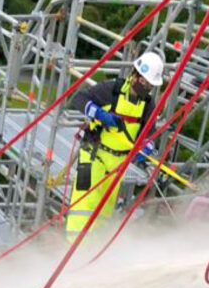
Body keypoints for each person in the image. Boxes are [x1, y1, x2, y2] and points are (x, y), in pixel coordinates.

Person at [65, 51, 163, 234]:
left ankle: (95, 253)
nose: (147, 87)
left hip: (118, 164)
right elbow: (78, 98)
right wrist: (99, 113)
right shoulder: (111, 90)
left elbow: (149, 134)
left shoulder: (147, 105)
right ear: (136, 74)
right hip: (93, 156)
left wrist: (145, 149)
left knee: (104, 211)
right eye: (145, 82)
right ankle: (75, 250)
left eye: (150, 85)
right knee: (84, 207)